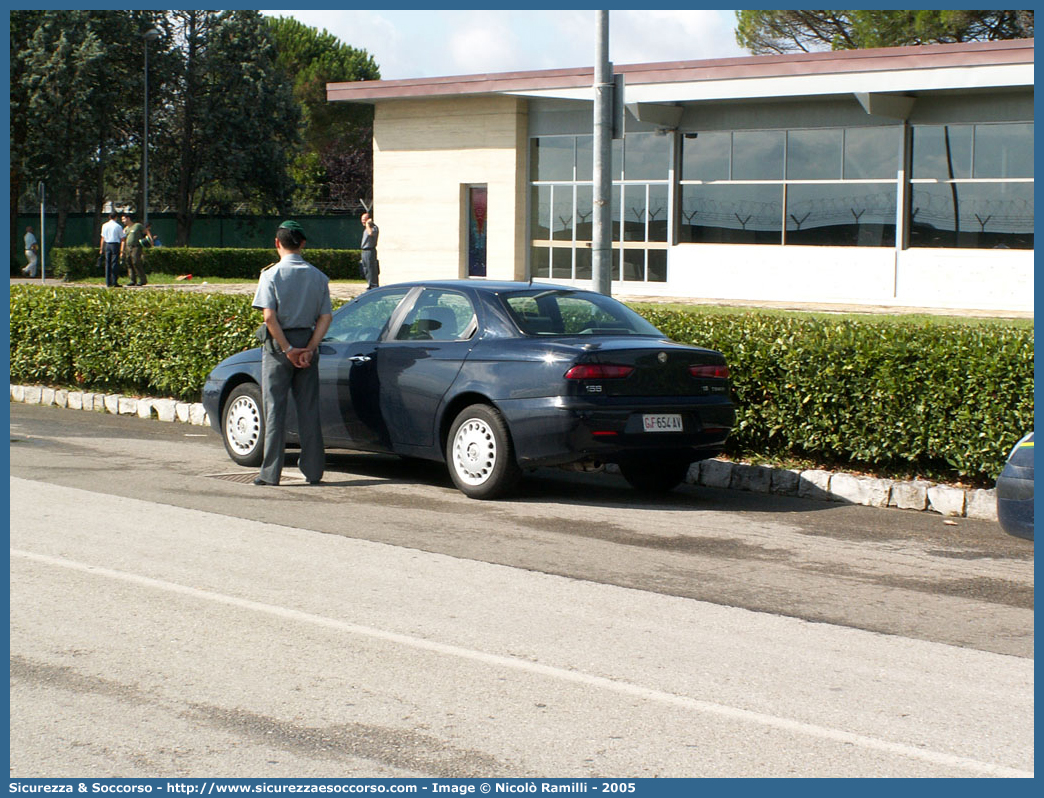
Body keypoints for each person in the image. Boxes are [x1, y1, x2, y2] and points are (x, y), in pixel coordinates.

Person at [251, 220, 333, 486]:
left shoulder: (270, 275)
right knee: (309, 409)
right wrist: (309, 348)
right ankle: (313, 471)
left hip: (279, 347)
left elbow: (269, 317)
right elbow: (325, 317)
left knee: (275, 408)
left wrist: (287, 349)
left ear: (277, 244)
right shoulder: (318, 276)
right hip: (308, 342)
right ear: (303, 244)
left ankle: (270, 473)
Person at [120, 213, 147, 286]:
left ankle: (142, 280)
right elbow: (123, 240)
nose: (122, 221)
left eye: (123, 219)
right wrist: (122, 251)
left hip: (136, 246)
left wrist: (149, 241)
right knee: (129, 262)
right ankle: (132, 280)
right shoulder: (125, 229)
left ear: (128, 218)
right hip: (128, 247)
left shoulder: (137, 226)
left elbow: (146, 232)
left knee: (136, 262)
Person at [99, 212, 125, 287]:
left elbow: (103, 238)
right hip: (115, 244)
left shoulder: (104, 225)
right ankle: (114, 281)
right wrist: (121, 250)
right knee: (114, 263)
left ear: (109, 217)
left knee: (107, 263)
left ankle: (108, 282)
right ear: (116, 217)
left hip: (107, 244)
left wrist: (101, 248)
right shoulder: (118, 226)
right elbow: (122, 238)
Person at [359, 211, 379, 290]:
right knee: (366, 269)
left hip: (370, 250)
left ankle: (373, 286)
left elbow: (370, 233)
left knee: (371, 269)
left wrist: (368, 224)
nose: (363, 221)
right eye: (362, 219)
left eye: (365, 219)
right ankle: (369, 285)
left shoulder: (373, 228)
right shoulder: (366, 228)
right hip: (364, 251)